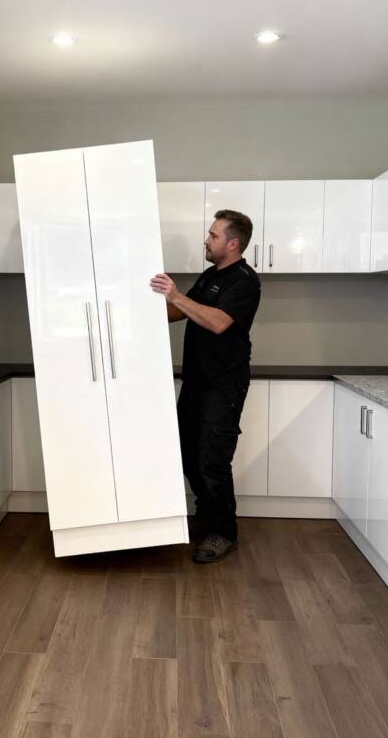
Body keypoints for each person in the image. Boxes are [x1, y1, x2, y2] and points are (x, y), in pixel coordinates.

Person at [149, 209, 261, 563]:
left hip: (224, 385)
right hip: (196, 381)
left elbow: (217, 322)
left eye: (213, 235)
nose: (206, 240)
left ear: (233, 243)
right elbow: (180, 312)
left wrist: (176, 295)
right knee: (187, 453)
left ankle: (223, 533)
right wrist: (141, 308)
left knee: (213, 459)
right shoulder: (211, 275)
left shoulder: (244, 280)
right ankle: (208, 516)